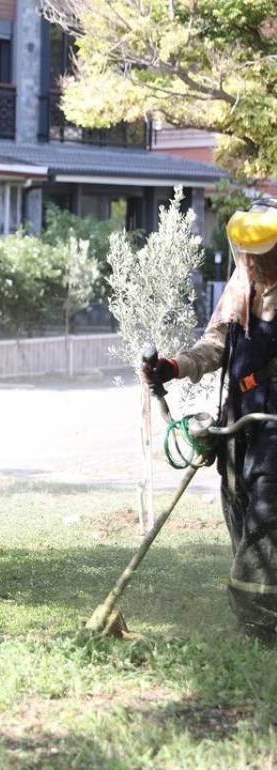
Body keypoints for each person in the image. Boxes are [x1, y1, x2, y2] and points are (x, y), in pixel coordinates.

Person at [145, 197, 277, 643]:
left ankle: (260, 627)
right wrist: (174, 367)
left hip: (274, 431)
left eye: (265, 255)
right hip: (238, 427)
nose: (255, 265)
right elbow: (215, 346)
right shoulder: (240, 289)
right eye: (249, 255)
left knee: (265, 527)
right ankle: (257, 626)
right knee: (242, 523)